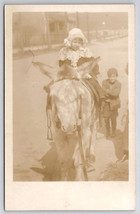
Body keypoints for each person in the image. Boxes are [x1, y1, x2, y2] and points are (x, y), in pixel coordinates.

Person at [102, 68, 121, 138]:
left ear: (116, 76)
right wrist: (110, 92)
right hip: (106, 104)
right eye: (110, 76)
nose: (112, 78)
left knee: (113, 119)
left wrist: (107, 91)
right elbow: (103, 92)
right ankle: (107, 132)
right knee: (106, 119)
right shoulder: (104, 82)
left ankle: (113, 132)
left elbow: (116, 93)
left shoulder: (118, 84)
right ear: (108, 76)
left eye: (114, 76)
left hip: (114, 105)